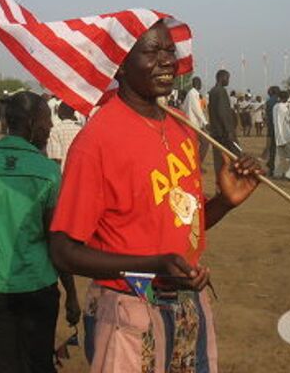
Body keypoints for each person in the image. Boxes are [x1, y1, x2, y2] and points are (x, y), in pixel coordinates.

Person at [48, 21, 262, 373]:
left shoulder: (181, 127)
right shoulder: (97, 141)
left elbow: (180, 223)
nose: (166, 61)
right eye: (151, 52)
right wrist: (153, 266)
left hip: (188, 306)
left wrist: (225, 201)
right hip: (128, 313)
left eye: (169, 51)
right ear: (120, 64)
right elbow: (64, 250)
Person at [0, 91, 79, 373]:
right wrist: (70, 292)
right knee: (37, 361)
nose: (49, 129)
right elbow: (54, 238)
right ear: (33, 123)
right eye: (46, 122)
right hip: (37, 285)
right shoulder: (47, 172)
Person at [208, 70, 238, 177]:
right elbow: (222, 112)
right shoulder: (221, 91)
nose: (228, 81)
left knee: (219, 160)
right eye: (227, 78)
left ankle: (220, 185)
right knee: (233, 157)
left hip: (216, 131)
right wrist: (228, 130)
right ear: (222, 77)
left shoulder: (212, 91)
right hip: (224, 133)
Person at [46, 101, 83, 172]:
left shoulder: (55, 130)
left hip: (63, 173)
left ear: (60, 114)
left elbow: (55, 157)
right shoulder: (80, 129)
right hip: (79, 171)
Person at [180, 77, 209, 163]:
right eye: (199, 83)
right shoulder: (193, 94)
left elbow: (184, 108)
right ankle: (198, 164)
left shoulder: (192, 94)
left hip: (192, 124)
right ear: (196, 83)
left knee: (195, 145)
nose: (201, 85)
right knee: (205, 142)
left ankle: (195, 164)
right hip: (194, 124)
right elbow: (197, 110)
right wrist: (205, 123)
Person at [272, 90, 290, 177]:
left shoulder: (275, 107)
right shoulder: (285, 108)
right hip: (286, 135)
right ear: (286, 98)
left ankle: (277, 174)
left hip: (278, 135)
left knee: (279, 157)